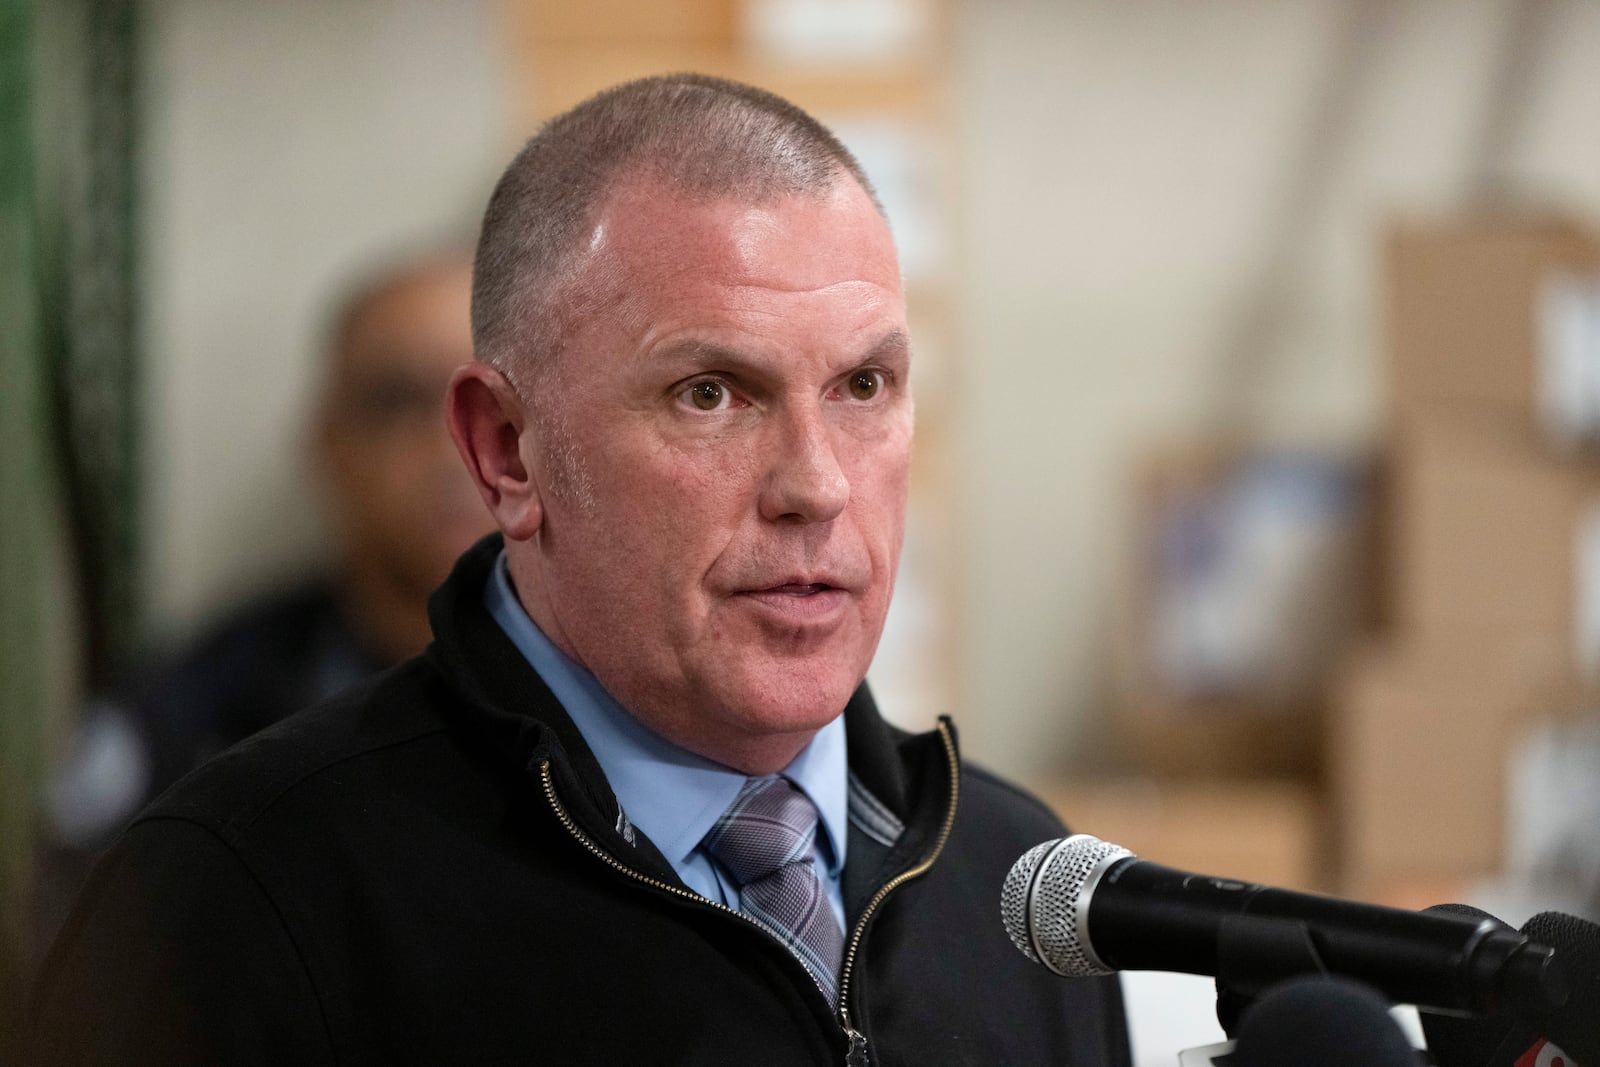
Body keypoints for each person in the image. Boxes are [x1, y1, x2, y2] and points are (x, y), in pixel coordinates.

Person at [30, 74, 1131, 1065]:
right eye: (710, 392)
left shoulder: (1012, 881)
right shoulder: (243, 898)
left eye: (861, 387)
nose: (818, 484)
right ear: (508, 450)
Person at [32, 254, 491, 930]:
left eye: (490, 401)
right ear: (327, 447)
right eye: (398, 399)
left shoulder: (638, 700)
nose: (451, 444)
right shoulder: (193, 718)